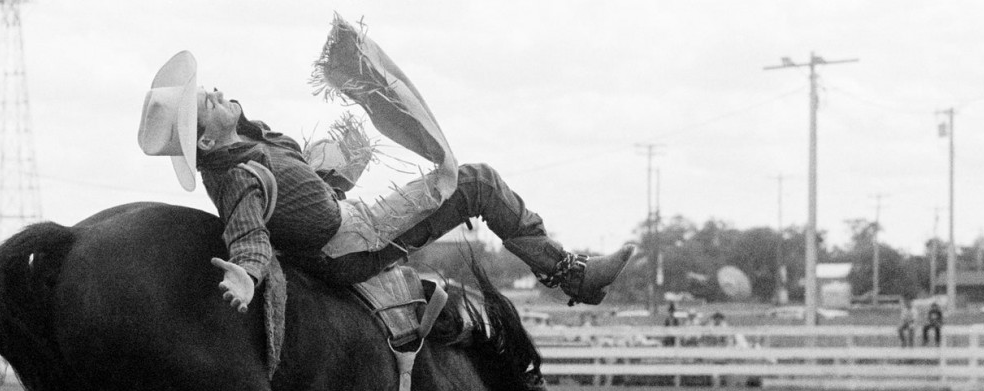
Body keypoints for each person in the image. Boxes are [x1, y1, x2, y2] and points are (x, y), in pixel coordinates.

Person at [137, 46, 634, 314]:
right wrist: (246, 275)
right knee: (477, 183)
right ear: (206, 141)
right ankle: (573, 276)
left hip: (347, 227)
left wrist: (334, 171)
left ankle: (570, 273)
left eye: (208, 90)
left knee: (471, 180)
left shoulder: (249, 147)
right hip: (353, 243)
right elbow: (247, 233)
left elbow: (297, 200)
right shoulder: (238, 176)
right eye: (207, 102)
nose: (216, 92)